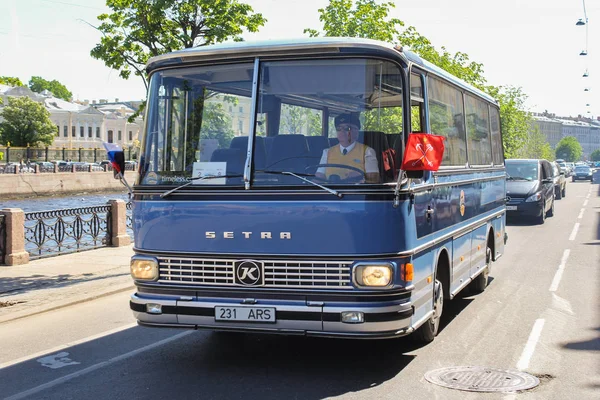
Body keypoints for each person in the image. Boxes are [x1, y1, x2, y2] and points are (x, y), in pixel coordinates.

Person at [315, 113, 379, 183]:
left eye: (347, 128)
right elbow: (319, 178)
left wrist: (361, 177)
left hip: (357, 192)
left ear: (357, 131)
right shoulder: (327, 152)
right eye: (338, 128)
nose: (342, 131)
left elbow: (374, 180)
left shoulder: (367, 151)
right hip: (331, 191)